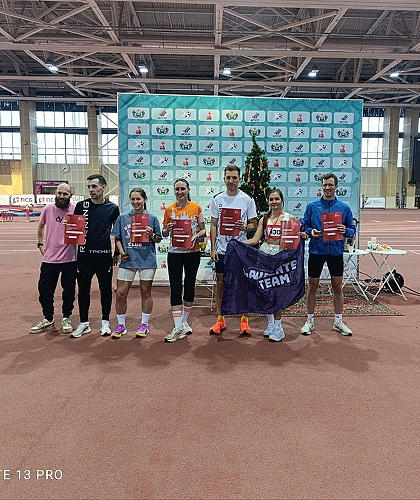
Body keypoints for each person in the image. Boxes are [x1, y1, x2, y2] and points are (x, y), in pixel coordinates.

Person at [243, 188, 307, 341]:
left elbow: (295, 239)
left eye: (276, 199)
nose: (274, 202)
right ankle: (271, 324)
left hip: (281, 256)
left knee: (277, 292)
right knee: (267, 291)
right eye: (271, 199)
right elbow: (255, 239)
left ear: (282, 200)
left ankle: (279, 328)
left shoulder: (289, 218)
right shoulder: (264, 219)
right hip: (266, 254)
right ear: (268, 201)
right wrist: (238, 244)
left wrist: (302, 236)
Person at [300, 173, 356, 336]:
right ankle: (309, 320)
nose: (327, 188)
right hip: (317, 251)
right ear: (321, 186)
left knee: (337, 287)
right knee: (312, 286)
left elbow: (352, 229)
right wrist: (311, 232)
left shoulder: (344, 208)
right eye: (325, 185)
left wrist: (346, 230)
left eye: (330, 185)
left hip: (336, 252)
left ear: (336, 186)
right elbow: (303, 226)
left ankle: (338, 321)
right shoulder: (312, 206)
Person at [209, 165, 258, 335]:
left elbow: (254, 224)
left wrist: (245, 227)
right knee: (221, 283)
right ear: (224, 179)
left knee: (242, 284)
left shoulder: (247, 200)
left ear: (240, 179)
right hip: (222, 250)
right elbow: (213, 225)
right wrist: (213, 248)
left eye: (234, 178)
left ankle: (244, 320)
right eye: (228, 177)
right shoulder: (217, 199)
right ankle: (220, 319)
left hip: (240, 249)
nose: (231, 181)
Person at [71, 175, 120, 338]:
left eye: (94, 186)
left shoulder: (112, 208)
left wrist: (116, 253)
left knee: (105, 290)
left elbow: (117, 233)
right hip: (84, 257)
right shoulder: (81, 206)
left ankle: (105, 322)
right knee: (83, 290)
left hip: (103, 257)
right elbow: (74, 230)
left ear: (103, 187)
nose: (91, 190)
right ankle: (84, 322)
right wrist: (69, 227)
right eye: (89, 187)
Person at [110, 188, 162, 338]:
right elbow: (117, 238)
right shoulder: (123, 218)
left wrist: (151, 234)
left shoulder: (152, 218)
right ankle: (121, 325)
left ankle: (144, 324)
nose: (135, 202)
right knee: (120, 293)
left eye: (138, 199)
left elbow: (158, 239)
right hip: (128, 260)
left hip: (146, 260)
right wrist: (122, 252)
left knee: (145, 292)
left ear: (144, 200)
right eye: (132, 199)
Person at [161, 178, 206, 343]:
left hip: (192, 253)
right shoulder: (169, 210)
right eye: (177, 189)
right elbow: (164, 233)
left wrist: (196, 236)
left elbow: (203, 230)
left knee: (189, 285)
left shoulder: (196, 208)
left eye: (183, 189)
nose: (180, 192)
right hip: (174, 253)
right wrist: (167, 229)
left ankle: (184, 321)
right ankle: (178, 326)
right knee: (175, 287)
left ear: (188, 190)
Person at [30, 183, 77, 334]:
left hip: (70, 258)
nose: (62, 196)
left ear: (71, 195)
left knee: (68, 290)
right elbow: (41, 226)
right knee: (44, 290)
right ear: (56, 193)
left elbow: (83, 230)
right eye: (59, 193)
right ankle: (48, 319)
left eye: (65, 194)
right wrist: (40, 243)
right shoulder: (48, 209)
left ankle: (66, 317)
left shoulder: (76, 210)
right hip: (50, 258)